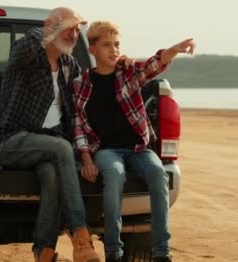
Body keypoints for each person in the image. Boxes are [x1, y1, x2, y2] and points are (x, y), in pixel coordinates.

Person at [72, 20, 196, 262]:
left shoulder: (129, 74)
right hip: (106, 151)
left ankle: (161, 252)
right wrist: (86, 158)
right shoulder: (81, 84)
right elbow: (78, 125)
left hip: (139, 148)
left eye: (117, 45)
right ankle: (114, 252)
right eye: (107, 45)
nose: (114, 50)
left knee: (158, 174)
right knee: (115, 175)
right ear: (92, 50)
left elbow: (154, 64)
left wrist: (175, 49)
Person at [0, 7, 101, 262]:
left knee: (53, 175)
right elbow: (28, 44)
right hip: (14, 141)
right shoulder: (26, 55)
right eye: (69, 28)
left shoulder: (69, 66)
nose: (74, 34)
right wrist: (55, 28)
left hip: (50, 146)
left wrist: (86, 158)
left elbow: (77, 114)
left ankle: (44, 252)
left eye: (77, 30)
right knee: (61, 148)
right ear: (49, 26)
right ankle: (80, 236)